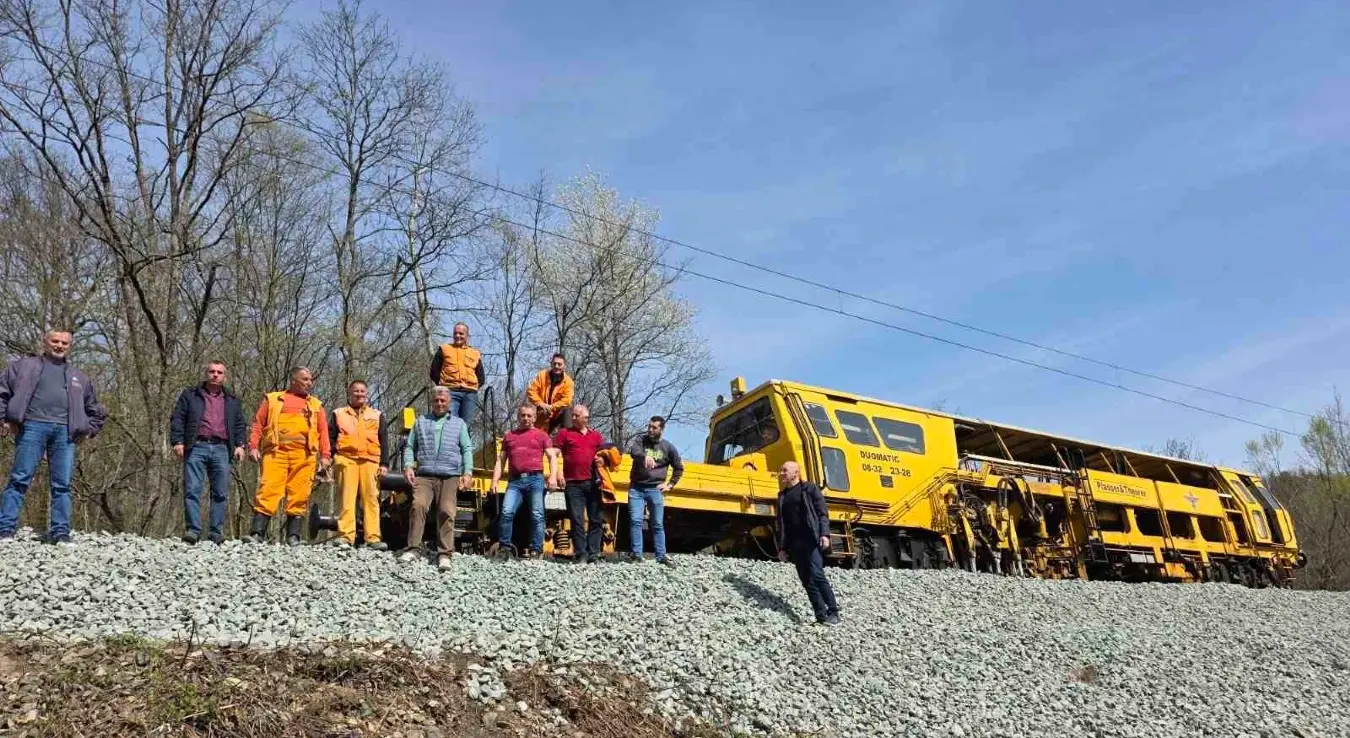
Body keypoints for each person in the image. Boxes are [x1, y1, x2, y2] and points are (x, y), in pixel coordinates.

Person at [0, 330, 107, 544]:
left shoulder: (79, 377)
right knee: (20, 478)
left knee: (62, 485)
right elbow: (2, 390)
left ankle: (60, 532)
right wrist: (4, 418)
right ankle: (5, 529)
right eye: (55, 341)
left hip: (65, 433)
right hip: (32, 427)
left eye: (64, 342)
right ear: (45, 342)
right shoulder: (24, 366)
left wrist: (88, 430)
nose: (59, 345)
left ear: (70, 346)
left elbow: (95, 408)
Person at [246, 367, 331, 545]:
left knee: (300, 494)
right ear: (293, 380)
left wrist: (325, 456)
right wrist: (253, 446)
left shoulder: (316, 405)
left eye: (310, 380)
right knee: (268, 489)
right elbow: (258, 424)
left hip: (305, 455)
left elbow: (323, 432)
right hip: (276, 452)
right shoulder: (273, 399)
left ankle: (293, 536)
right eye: (305, 379)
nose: (310, 383)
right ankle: (257, 533)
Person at [169, 361, 247, 545]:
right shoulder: (190, 395)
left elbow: (239, 424)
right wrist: (178, 441)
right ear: (206, 373)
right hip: (196, 446)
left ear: (224, 376)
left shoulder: (232, 400)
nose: (215, 375)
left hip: (222, 448)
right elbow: (178, 418)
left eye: (219, 372)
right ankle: (193, 530)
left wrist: (240, 445)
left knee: (220, 492)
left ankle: (215, 532)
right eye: (211, 371)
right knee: (192, 489)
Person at [400, 386, 473, 569]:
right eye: (436, 401)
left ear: (449, 403)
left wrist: (467, 472)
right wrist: (408, 466)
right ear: (432, 402)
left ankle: (445, 554)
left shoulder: (459, 424)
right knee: (418, 506)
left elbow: (466, 449)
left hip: (450, 475)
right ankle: (413, 549)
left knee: (447, 510)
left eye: (443, 401)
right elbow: (409, 446)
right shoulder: (421, 422)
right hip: (425, 474)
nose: (439, 404)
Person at [775, 461, 841, 626]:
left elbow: (822, 513)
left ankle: (833, 612)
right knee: (806, 580)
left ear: (796, 473)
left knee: (817, 575)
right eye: (781, 470)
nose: (781, 473)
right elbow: (782, 523)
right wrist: (782, 547)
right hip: (794, 544)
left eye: (785, 470)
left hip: (811, 539)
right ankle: (821, 616)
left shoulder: (809, 489)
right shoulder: (782, 496)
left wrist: (824, 534)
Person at [328, 380, 389, 550]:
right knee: (347, 499)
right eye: (356, 391)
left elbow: (384, 439)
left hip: (371, 461)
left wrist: (384, 463)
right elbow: (330, 437)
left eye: (363, 391)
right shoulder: (338, 413)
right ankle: (346, 537)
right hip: (346, 460)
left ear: (367, 394)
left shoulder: (377, 415)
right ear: (349, 393)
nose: (360, 394)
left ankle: (373, 538)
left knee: (371, 500)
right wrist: (333, 457)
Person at [490, 405, 555, 558]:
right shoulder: (509, 436)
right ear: (518, 417)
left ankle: (536, 549)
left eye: (529, 416)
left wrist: (553, 476)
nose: (526, 418)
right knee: (506, 512)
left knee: (537, 515)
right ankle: (504, 548)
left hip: (535, 479)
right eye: (522, 415)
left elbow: (552, 457)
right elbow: (500, 461)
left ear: (534, 418)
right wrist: (494, 481)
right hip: (515, 481)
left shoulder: (542, 435)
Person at [552, 404, 606, 562]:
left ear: (585, 418)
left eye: (577, 415)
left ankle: (593, 553)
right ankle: (581, 553)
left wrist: (603, 459)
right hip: (572, 484)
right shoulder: (564, 434)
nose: (573, 418)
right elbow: (554, 454)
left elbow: (604, 454)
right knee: (576, 520)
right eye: (573, 415)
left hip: (593, 483)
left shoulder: (596, 436)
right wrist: (558, 472)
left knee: (596, 519)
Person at [626, 415, 682, 567]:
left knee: (657, 523)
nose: (650, 429)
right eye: (649, 426)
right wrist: (644, 456)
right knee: (636, 520)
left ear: (661, 430)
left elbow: (678, 468)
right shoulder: (641, 441)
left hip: (655, 489)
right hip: (636, 488)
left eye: (654, 427)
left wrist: (670, 485)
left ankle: (661, 556)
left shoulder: (668, 448)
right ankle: (637, 555)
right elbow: (633, 451)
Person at [429, 322, 484, 426]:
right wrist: (443, 387)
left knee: (466, 424)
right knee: (450, 423)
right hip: (450, 391)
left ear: (467, 336)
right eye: (455, 333)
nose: (458, 336)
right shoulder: (444, 349)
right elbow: (434, 371)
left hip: (470, 394)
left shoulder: (475, 353)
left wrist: (474, 387)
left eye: (461, 333)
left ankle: (465, 442)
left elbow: (481, 376)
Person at [525, 353, 574, 433]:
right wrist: (540, 404)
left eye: (559, 364)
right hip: (541, 412)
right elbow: (531, 391)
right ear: (551, 364)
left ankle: (567, 438)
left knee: (568, 410)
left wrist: (551, 407)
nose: (556, 366)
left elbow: (567, 399)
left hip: (557, 414)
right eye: (554, 364)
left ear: (564, 366)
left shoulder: (568, 382)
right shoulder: (542, 375)